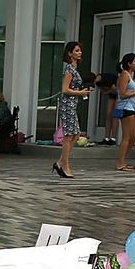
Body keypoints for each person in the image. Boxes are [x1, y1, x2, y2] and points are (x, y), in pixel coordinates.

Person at [52, 42, 87, 177]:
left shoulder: (74, 68)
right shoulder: (69, 70)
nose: (79, 53)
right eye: (76, 51)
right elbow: (65, 89)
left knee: (76, 135)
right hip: (67, 104)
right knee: (69, 136)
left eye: (80, 50)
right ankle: (65, 165)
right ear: (69, 53)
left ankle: (60, 162)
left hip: (73, 103)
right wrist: (80, 93)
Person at [111, 53, 135, 171]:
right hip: (125, 107)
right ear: (129, 63)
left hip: (133, 107)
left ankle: (123, 159)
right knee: (127, 136)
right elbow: (122, 94)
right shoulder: (124, 75)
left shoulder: (131, 76)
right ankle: (120, 162)